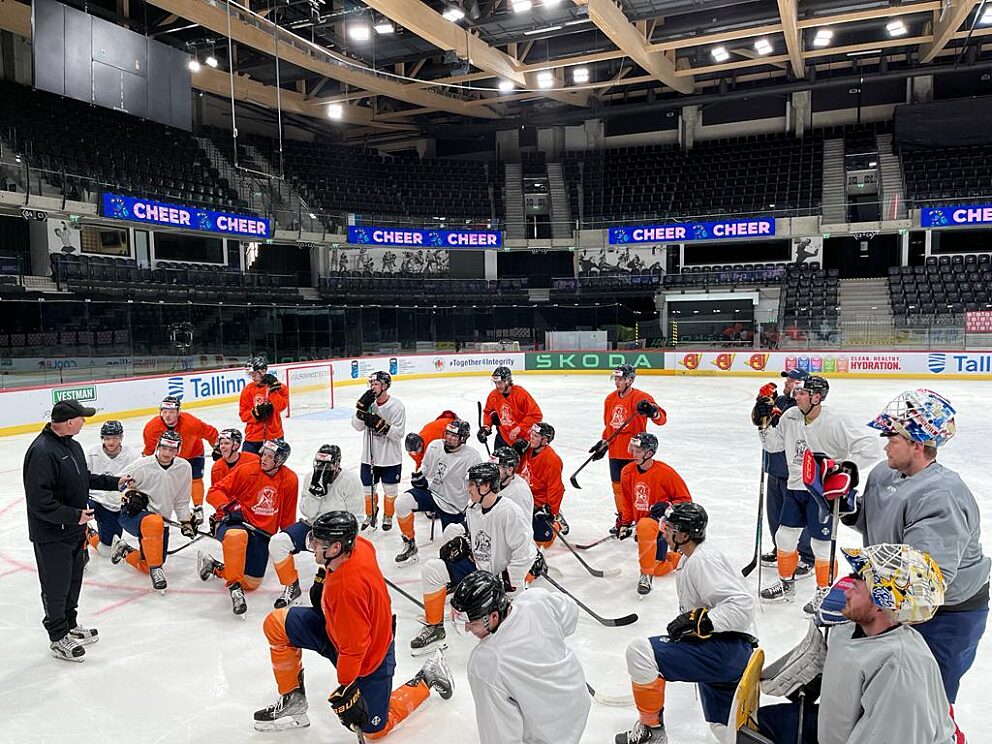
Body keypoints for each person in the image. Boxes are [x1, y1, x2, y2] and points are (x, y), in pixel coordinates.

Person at [852, 389, 989, 737]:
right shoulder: (885, 474)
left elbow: (924, 584)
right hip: (900, 598)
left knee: (930, 703)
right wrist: (840, 500)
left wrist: (865, 599)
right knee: (894, 697)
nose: (884, 445)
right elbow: (871, 520)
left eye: (892, 437)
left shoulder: (940, 495)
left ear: (917, 444)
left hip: (948, 615)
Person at [253, 511, 453, 736]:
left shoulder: (346, 591)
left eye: (318, 543)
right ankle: (293, 699)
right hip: (341, 631)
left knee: (374, 729)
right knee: (277, 625)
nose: (313, 546)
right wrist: (325, 576)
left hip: (371, 657)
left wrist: (347, 688)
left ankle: (427, 678)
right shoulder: (360, 545)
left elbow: (354, 649)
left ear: (337, 547)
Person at [757, 544, 954, 744]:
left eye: (857, 586)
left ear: (881, 603)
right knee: (759, 724)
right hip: (836, 727)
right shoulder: (851, 627)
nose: (846, 593)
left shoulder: (899, 669)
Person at [615, 502, 757, 744]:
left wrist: (702, 621)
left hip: (726, 650)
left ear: (683, 534)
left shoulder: (702, 561)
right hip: (730, 652)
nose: (663, 531)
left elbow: (742, 606)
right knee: (725, 731)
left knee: (641, 653)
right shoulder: (693, 557)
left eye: (668, 527)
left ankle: (651, 732)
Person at [755, 376, 879, 613]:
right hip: (795, 487)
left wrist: (846, 468)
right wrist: (763, 424)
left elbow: (869, 447)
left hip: (821, 492)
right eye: (797, 392)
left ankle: (823, 591)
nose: (796, 396)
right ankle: (786, 585)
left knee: (821, 545)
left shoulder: (835, 421)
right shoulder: (791, 417)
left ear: (817, 397)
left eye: (802, 393)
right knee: (784, 537)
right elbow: (773, 445)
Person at [23, 400, 131, 661]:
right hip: (52, 534)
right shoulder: (42, 451)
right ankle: (58, 637)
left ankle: (70, 625)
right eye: (82, 418)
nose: (85, 422)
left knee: (73, 582)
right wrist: (74, 515)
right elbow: (40, 501)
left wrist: (115, 482)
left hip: (73, 530)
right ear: (69, 421)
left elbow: (84, 478)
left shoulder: (72, 445)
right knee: (55, 586)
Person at [411, 462, 537, 657]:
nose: (468, 488)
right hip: (477, 570)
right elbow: (471, 530)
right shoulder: (473, 507)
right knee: (432, 569)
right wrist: (462, 542)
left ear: (485, 486)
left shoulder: (509, 512)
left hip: (501, 580)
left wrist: (506, 580)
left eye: (471, 484)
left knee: (513, 637)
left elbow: (527, 552)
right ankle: (435, 627)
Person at [451, 570, 590, 744]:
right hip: (577, 699)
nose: (467, 629)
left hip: (548, 736)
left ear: (493, 616)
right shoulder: (535, 599)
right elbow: (570, 613)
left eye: (473, 624)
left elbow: (499, 736)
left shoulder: (486, 661)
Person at [199, 438, 298, 615]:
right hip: (236, 522)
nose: (264, 459)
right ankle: (235, 587)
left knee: (252, 582)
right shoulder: (247, 471)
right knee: (237, 536)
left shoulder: (289, 479)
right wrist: (227, 507)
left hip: (262, 533)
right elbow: (214, 491)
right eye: (264, 454)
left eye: (270, 456)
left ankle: (215, 566)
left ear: (280, 461)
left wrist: (288, 538)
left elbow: (287, 515)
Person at [268, 444, 364, 610]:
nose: (321, 468)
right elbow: (307, 511)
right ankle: (292, 585)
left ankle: (341, 589)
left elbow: (357, 518)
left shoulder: (350, 480)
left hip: (338, 533)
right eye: (318, 463)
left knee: (346, 567)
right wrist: (315, 493)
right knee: (278, 542)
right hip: (312, 526)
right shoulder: (310, 477)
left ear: (337, 464)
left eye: (326, 464)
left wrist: (344, 540)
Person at [110, 431, 196, 592]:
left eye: (172, 450)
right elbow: (115, 484)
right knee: (153, 524)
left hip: (160, 522)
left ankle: (125, 551)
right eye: (164, 448)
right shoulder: (141, 465)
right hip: (132, 516)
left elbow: (182, 500)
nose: (167, 453)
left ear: (178, 451)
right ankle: (157, 570)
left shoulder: (184, 468)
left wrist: (185, 521)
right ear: (158, 447)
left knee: (147, 563)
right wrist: (129, 494)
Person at [392, 419, 484, 566]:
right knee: (401, 503)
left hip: (453, 505)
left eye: (455, 436)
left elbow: (476, 486)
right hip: (431, 494)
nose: (450, 438)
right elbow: (425, 467)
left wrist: (475, 508)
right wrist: (420, 477)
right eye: (448, 434)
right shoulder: (435, 446)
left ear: (463, 438)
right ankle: (410, 544)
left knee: (453, 549)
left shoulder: (472, 457)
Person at [589, 364, 667, 536]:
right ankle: (624, 518)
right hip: (615, 452)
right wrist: (603, 443)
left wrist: (652, 411)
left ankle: (645, 522)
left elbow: (661, 419)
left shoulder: (641, 397)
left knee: (639, 489)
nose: (617, 382)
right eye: (615, 378)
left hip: (635, 453)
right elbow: (610, 425)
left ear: (630, 380)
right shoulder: (610, 399)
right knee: (618, 489)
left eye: (621, 378)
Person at [616, 432, 692, 595]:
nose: (633, 454)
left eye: (638, 451)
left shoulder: (665, 472)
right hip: (645, 530)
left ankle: (645, 576)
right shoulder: (627, 472)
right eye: (633, 449)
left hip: (664, 526)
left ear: (649, 453)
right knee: (657, 567)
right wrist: (624, 523)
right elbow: (628, 502)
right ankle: (678, 557)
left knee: (645, 525)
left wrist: (668, 505)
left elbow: (686, 500)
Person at [754, 369, 814, 573]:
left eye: (792, 380)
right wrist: (761, 405)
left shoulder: (802, 409)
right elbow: (762, 424)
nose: (787, 383)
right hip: (775, 468)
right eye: (787, 380)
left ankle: (806, 556)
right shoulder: (778, 401)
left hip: (795, 473)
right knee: (775, 516)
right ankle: (781, 550)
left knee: (799, 518)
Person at [142, 395, 218, 522]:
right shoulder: (152, 427)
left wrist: (217, 449)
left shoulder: (191, 423)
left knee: (195, 479)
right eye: (164, 412)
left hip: (194, 452)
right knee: (167, 482)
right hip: (170, 457)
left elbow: (211, 432)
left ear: (178, 412)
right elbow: (149, 447)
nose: (167, 416)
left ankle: (198, 508)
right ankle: (160, 507)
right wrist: (145, 462)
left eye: (171, 412)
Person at [351, 371, 406, 532]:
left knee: (390, 490)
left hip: (390, 458)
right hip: (369, 457)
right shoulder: (370, 404)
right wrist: (361, 409)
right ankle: (370, 514)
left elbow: (398, 434)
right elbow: (357, 426)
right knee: (368, 489)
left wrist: (379, 423)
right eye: (371, 384)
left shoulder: (397, 406)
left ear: (385, 386)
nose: (372, 387)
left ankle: (388, 516)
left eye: (375, 384)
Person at [85, 420, 140, 559]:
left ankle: (92, 535)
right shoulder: (91, 453)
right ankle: (83, 539)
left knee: (106, 551)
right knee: (76, 509)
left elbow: (139, 480)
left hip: (117, 504)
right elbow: (81, 479)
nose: (111, 442)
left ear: (121, 438)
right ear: (102, 438)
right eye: (107, 438)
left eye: (115, 437)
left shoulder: (133, 455)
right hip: (94, 498)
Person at [518, 422, 567, 549]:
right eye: (531, 434)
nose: (531, 437)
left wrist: (551, 510)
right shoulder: (526, 450)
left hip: (540, 503)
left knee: (542, 543)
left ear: (545, 440)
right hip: (523, 497)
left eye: (536, 435)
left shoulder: (552, 460)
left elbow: (556, 488)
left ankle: (558, 522)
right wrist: (515, 452)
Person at [479, 366, 542, 452]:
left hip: (521, 440)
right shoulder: (493, 395)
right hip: (502, 437)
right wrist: (486, 427)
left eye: (500, 383)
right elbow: (488, 412)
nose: (497, 386)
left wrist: (519, 428)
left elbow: (536, 415)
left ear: (507, 381)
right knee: (497, 464)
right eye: (496, 383)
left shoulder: (520, 394)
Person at [239, 355, 288, 455]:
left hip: (274, 436)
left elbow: (280, 407)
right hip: (253, 437)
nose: (253, 377)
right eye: (250, 374)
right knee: (247, 466)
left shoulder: (280, 387)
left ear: (264, 371)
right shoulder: (247, 390)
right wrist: (255, 414)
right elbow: (243, 415)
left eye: (255, 374)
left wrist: (273, 392)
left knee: (271, 468)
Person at [490, 446, 534, 517]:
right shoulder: (496, 481)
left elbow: (522, 526)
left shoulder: (519, 494)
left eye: (496, 468)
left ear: (509, 470)